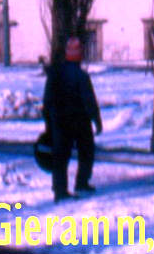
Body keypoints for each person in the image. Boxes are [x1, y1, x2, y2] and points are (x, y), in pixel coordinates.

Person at [43, 37, 103, 202]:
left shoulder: (54, 74)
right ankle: (81, 182)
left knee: (60, 156)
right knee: (86, 151)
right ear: (79, 55)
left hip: (58, 120)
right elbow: (89, 100)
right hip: (79, 121)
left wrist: (48, 121)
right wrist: (97, 120)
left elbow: (47, 100)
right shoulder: (81, 76)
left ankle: (60, 190)